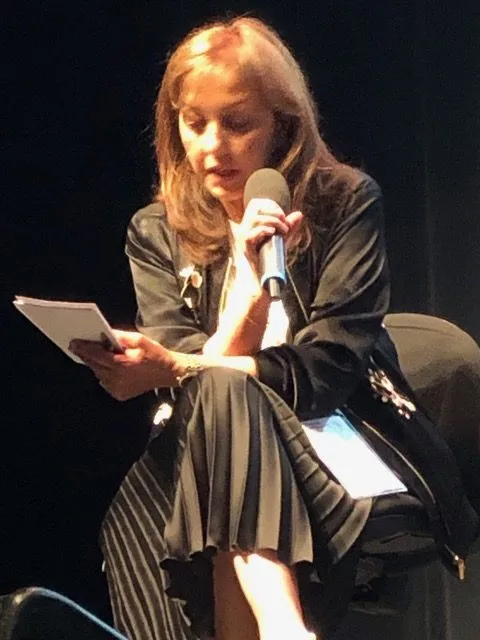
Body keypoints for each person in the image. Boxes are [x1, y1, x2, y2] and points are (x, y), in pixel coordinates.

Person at [69, 16, 478, 640]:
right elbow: (193, 383)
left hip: (334, 438)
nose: (213, 147)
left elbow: (325, 371)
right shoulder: (157, 231)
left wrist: (182, 366)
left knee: (223, 400)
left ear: (281, 124)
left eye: (237, 124)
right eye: (194, 123)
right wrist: (245, 296)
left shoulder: (343, 202)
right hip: (213, 452)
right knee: (214, 416)